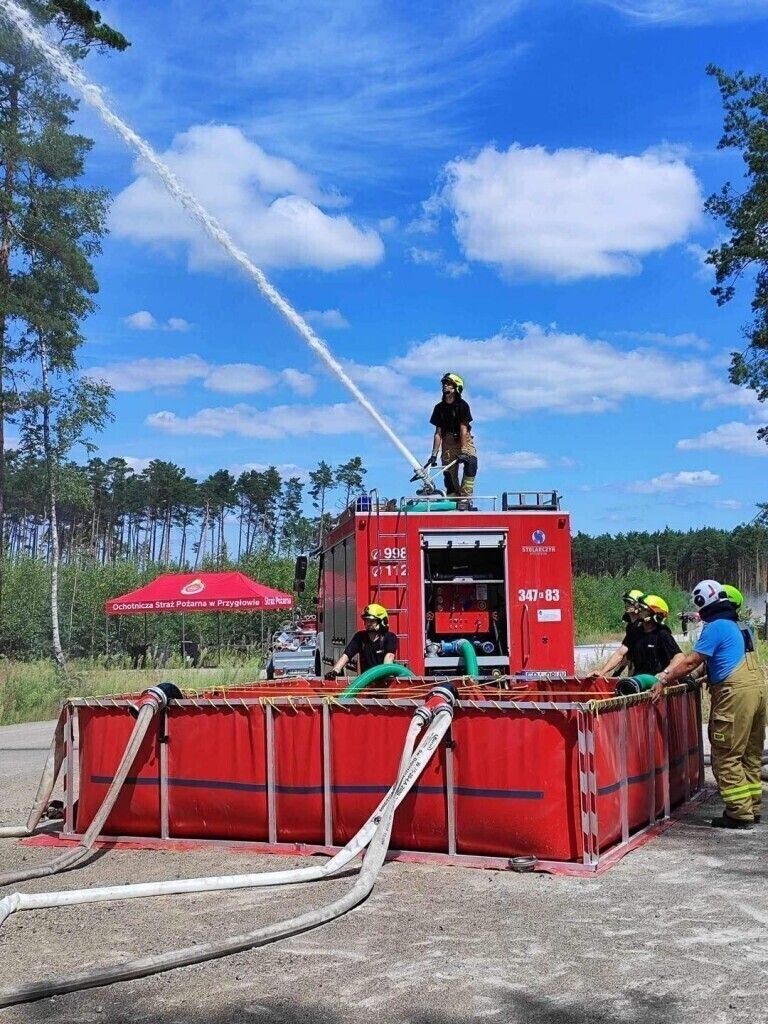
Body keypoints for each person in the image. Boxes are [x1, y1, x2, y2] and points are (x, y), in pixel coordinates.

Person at [650, 579, 766, 830]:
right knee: (750, 754)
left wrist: (664, 678)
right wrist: (703, 676)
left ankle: (738, 813)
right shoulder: (741, 625)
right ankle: (752, 807)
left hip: (735, 695)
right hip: (757, 690)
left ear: (702, 603)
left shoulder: (715, 627)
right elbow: (723, 659)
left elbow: (691, 661)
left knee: (726, 755)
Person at [427, 372, 477, 503]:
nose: (445, 386)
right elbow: (438, 433)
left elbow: (463, 429)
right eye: (444, 383)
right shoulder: (439, 408)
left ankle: (465, 498)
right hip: (447, 442)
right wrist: (434, 454)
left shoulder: (462, 406)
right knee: (448, 474)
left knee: (471, 462)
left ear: (456, 388)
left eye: (449, 384)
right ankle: (454, 498)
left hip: (464, 439)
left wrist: (465, 450)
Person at [324, 603, 397, 679]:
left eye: (371, 621)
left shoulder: (389, 637)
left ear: (381, 621)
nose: (368, 623)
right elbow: (347, 655)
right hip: (367, 680)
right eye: (366, 620)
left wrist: (384, 674)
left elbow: (389, 656)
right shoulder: (360, 637)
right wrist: (335, 671)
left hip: (385, 681)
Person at [591, 589, 646, 678]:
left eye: (630, 602)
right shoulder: (631, 626)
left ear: (638, 605)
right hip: (635, 671)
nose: (627, 604)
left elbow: (620, 653)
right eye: (626, 602)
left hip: (643, 672)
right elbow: (626, 655)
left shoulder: (640, 626)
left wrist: (602, 672)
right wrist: (616, 674)